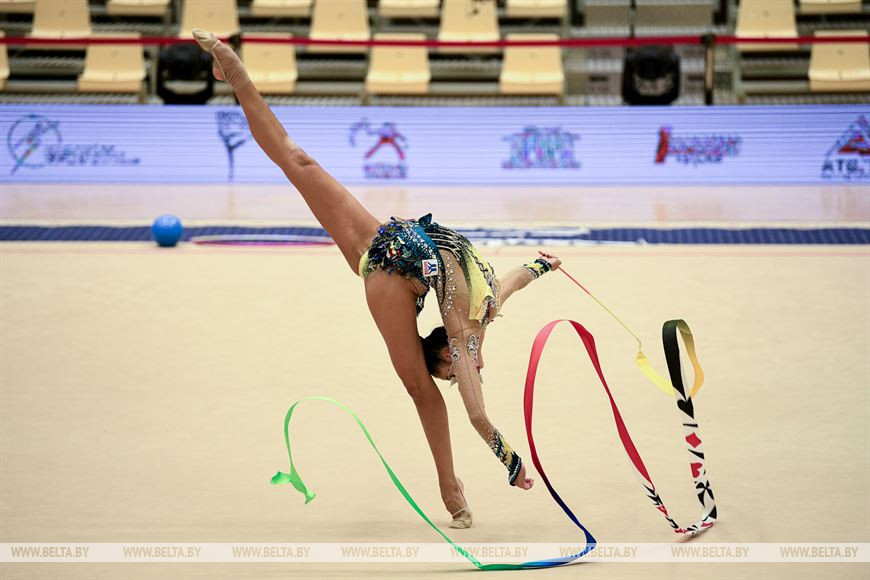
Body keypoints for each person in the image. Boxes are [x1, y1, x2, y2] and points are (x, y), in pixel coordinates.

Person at [192, 29, 561, 529]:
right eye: (458, 377)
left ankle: (234, 71)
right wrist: (511, 463)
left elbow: (514, 280)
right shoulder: (468, 334)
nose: (464, 379)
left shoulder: (482, 310)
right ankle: (450, 491)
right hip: (392, 267)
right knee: (418, 390)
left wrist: (541, 266)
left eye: (456, 375)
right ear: (448, 355)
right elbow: (475, 415)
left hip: (397, 239)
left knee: (298, 161)